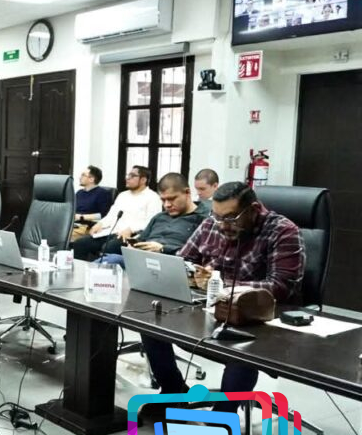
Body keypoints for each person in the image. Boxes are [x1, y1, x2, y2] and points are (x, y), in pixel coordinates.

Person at [141, 182, 304, 415]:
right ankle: (173, 390)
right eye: (217, 217)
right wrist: (192, 272)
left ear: (253, 210)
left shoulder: (283, 231)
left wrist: (221, 285)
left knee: (242, 351)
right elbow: (182, 260)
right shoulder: (212, 223)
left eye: (230, 218)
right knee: (151, 321)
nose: (222, 225)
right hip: (212, 308)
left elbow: (282, 287)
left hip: (258, 318)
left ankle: (223, 417)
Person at [97, 173, 208, 266]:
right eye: (163, 200)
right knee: (107, 260)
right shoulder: (159, 217)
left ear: (187, 193)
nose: (167, 205)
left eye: (172, 199)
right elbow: (141, 239)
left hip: (173, 264)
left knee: (112, 261)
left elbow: (197, 256)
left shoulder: (203, 220)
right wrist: (133, 246)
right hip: (144, 261)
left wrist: (163, 249)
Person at [71, 166, 162, 261]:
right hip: (112, 232)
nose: (127, 178)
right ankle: (82, 269)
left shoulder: (153, 197)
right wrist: (100, 224)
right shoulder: (123, 195)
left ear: (143, 180)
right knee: (80, 244)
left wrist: (131, 229)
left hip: (132, 236)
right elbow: (111, 215)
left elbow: (152, 222)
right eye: (127, 175)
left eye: (132, 176)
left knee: (109, 248)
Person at [73, 165, 112, 239]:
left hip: (87, 227)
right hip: (74, 225)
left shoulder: (103, 193)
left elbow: (104, 215)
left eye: (83, 175)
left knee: (60, 236)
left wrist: (81, 217)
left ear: (91, 179)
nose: (80, 177)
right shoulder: (79, 193)